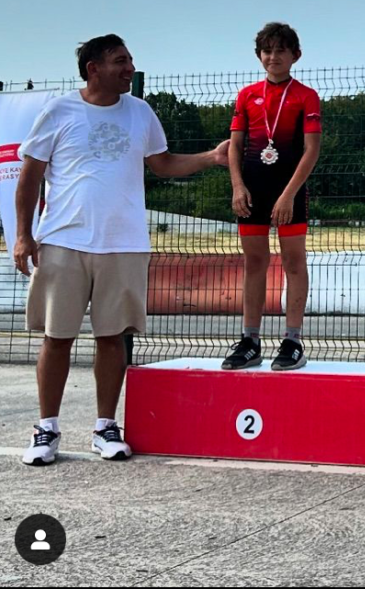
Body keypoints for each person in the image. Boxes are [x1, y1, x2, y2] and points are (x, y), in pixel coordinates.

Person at [14, 35, 229, 466]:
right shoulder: (58, 110)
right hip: (63, 240)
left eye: (130, 60)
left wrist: (212, 157)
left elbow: (162, 164)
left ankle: (105, 427)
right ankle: (46, 429)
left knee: (113, 338)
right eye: (120, 61)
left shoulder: (140, 112)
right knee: (57, 338)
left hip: (125, 242)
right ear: (93, 68)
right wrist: (24, 235)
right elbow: (30, 176)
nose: (129, 68)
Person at [223, 23, 321, 372]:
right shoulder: (247, 95)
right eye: (267, 50)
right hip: (252, 190)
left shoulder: (306, 96)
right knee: (254, 263)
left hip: (289, 191)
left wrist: (288, 194)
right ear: (259, 56)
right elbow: (234, 146)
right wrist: (238, 186)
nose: (273, 57)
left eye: (281, 50)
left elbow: (311, 150)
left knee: (293, 263)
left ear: (296, 55)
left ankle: (292, 341)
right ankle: (250, 340)